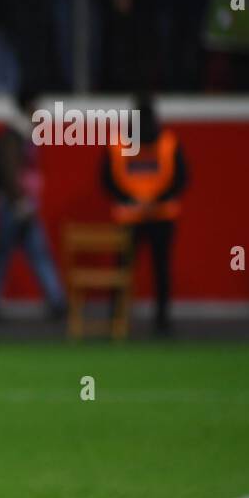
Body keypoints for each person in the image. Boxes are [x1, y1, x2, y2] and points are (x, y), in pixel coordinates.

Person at [0, 89, 67, 322]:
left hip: (19, 205)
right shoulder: (14, 135)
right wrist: (20, 202)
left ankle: (56, 300)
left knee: (26, 252)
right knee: (12, 253)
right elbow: (10, 172)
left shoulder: (22, 133)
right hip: (14, 206)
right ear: (29, 106)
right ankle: (55, 300)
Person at [102, 95, 187, 337]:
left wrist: (139, 201)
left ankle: (143, 317)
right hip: (146, 216)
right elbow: (107, 179)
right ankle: (131, 317)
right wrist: (149, 201)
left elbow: (181, 178)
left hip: (147, 216)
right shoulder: (124, 143)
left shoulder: (165, 143)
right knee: (137, 269)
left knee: (146, 268)